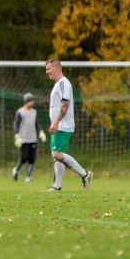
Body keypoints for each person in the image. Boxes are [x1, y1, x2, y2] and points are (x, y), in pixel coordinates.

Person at [45, 58, 93, 191]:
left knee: (56, 154)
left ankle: (84, 174)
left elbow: (65, 106)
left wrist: (56, 122)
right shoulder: (59, 84)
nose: (47, 72)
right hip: (60, 125)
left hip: (62, 126)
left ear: (56, 68)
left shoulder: (63, 83)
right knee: (57, 155)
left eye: (48, 69)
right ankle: (57, 186)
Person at [12, 92, 46, 182]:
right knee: (24, 157)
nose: (32, 103)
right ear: (26, 102)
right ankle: (16, 170)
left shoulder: (34, 112)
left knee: (32, 158)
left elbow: (37, 123)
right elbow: (16, 124)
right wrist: (17, 135)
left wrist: (41, 131)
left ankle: (28, 177)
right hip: (23, 139)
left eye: (33, 101)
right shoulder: (20, 112)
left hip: (33, 138)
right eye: (31, 101)